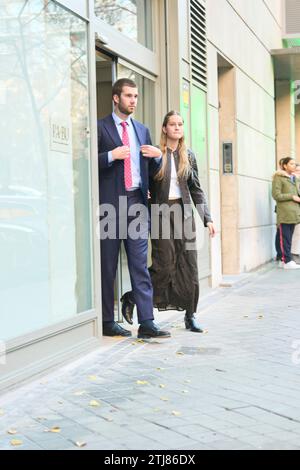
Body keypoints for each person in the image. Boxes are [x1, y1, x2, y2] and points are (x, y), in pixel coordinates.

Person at [122, 111, 216, 332]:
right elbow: (143, 184)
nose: (176, 127)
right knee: (164, 265)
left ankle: (190, 315)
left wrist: (207, 218)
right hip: (161, 214)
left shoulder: (189, 156)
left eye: (180, 124)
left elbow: (196, 190)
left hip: (184, 215)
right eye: (172, 124)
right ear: (164, 128)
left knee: (190, 265)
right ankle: (133, 297)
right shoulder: (155, 153)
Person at [98, 78, 171, 339]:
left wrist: (158, 157)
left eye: (136, 96)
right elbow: (85, 164)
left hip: (137, 203)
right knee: (108, 265)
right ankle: (107, 320)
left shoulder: (142, 129)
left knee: (140, 264)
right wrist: (110, 156)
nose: (134, 101)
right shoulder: (101, 127)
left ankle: (147, 322)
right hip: (110, 206)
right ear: (116, 98)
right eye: (129, 96)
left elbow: (151, 170)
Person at [272, 157, 300, 270]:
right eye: (291, 164)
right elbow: (276, 195)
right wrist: (292, 196)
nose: (294, 166)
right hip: (284, 213)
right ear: (285, 165)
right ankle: (287, 260)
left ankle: (283, 260)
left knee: (288, 238)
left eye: (295, 164)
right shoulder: (278, 178)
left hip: (294, 213)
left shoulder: (294, 178)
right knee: (285, 238)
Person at [291, 163, 300, 264]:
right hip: (293, 211)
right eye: (297, 171)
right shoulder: (292, 181)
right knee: (296, 233)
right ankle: (294, 255)